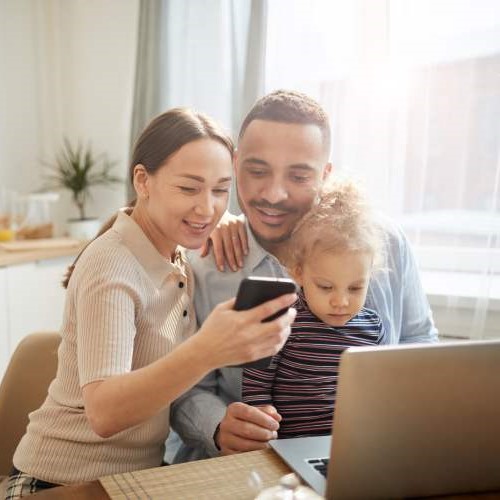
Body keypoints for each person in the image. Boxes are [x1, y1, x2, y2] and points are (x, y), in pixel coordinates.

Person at [5, 108, 297, 497]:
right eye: (189, 188)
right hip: (57, 484)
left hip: (132, 479)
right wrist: (208, 349)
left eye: (220, 190)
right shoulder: (112, 264)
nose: (207, 207)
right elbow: (104, 413)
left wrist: (226, 219)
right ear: (143, 180)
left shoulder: (175, 256)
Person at [170, 89, 438, 462]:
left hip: (362, 456)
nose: (274, 194)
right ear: (235, 164)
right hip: (242, 467)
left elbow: (419, 339)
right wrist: (216, 425)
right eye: (257, 171)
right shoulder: (203, 264)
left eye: (298, 176)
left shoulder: (384, 243)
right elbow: (183, 389)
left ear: (325, 175)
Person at [242, 179, 385, 438]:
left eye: (355, 288)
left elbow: (373, 391)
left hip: (345, 446)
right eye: (326, 287)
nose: (341, 302)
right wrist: (262, 415)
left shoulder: (372, 327)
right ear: (299, 273)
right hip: (287, 445)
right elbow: (256, 382)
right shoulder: (283, 319)